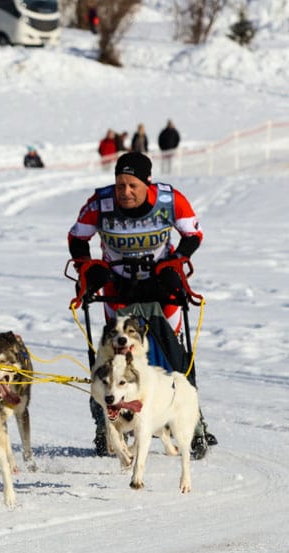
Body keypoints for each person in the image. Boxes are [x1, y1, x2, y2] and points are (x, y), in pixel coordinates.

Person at [68, 151, 214, 457]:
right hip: (117, 287)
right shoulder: (100, 204)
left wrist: (176, 262)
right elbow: (77, 238)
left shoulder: (169, 200)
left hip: (161, 284)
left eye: (132, 185)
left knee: (174, 353)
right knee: (115, 357)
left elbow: (193, 234)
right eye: (120, 184)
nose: (125, 191)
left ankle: (192, 422)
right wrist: (88, 267)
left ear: (147, 182)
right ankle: (107, 424)